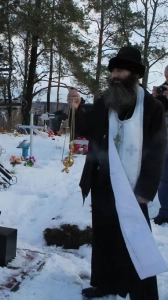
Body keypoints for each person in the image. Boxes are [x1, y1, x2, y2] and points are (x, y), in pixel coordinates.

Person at [68, 47, 167, 299]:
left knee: (134, 240)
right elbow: (89, 128)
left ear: (134, 73)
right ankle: (106, 283)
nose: (114, 75)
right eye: (113, 70)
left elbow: (157, 151)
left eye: (120, 70)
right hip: (104, 181)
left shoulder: (153, 107)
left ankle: (142, 292)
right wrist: (78, 107)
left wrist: (145, 191)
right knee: (104, 237)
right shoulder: (106, 101)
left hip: (134, 189)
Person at [151, 65, 168, 225]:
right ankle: (164, 212)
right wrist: (155, 97)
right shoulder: (162, 89)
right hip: (164, 139)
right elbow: (155, 112)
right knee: (164, 179)